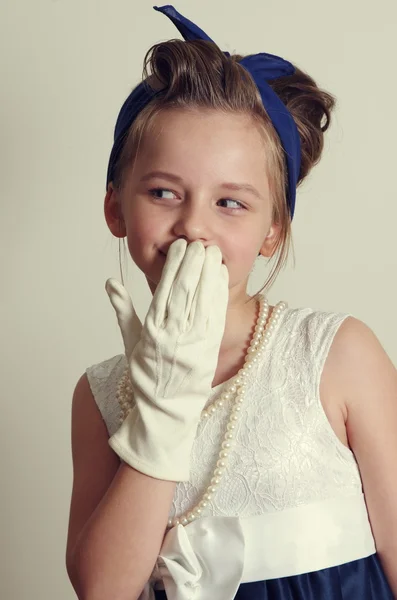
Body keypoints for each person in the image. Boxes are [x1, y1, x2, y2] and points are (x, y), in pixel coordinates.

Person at [65, 5, 397, 600]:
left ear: (273, 229)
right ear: (117, 208)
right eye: (164, 191)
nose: (193, 227)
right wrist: (162, 408)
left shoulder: (338, 355)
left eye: (231, 203)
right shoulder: (99, 394)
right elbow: (102, 589)